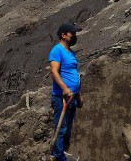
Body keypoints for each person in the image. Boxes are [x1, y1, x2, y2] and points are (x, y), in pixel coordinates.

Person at [49, 23, 83, 161]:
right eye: (72, 34)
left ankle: (61, 152)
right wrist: (64, 88)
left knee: (67, 129)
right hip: (61, 97)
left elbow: (74, 74)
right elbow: (54, 72)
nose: (74, 36)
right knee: (61, 128)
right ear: (63, 35)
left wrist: (79, 95)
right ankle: (58, 157)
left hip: (73, 97)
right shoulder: (57, 50)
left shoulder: (71, 52)